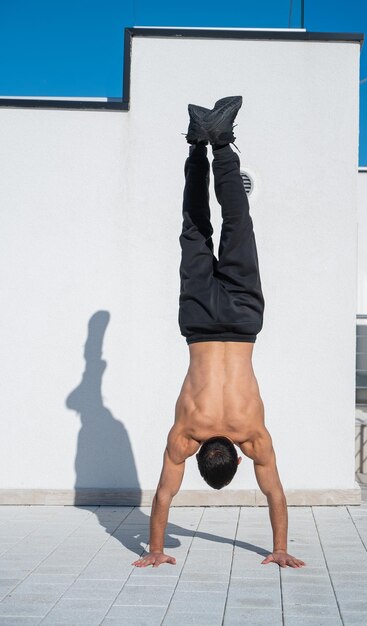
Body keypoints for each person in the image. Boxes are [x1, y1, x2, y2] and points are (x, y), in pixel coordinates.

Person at [132, 96, 305, 569]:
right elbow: (164, 498)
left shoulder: (254, 436)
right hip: (201, 324)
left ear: (236, 456)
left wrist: (281, 549)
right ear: (201, 454)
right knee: (194, 230)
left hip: (245, 321)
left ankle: (222, 143)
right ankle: (196, 145)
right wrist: (156, 550)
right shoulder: (186, 434)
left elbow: (275, 495)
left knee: (238, 226)